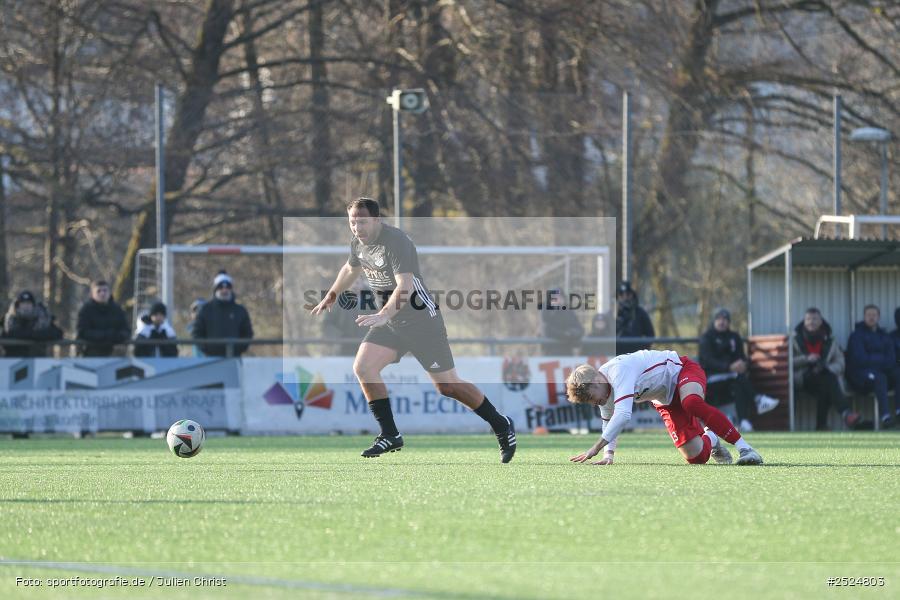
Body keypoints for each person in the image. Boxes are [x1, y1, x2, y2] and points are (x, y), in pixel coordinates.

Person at [309, 197, 516, 461]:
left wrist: (383, 314)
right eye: (352, 222)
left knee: (448, 387)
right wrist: (333, 294)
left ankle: (501, 424)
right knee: (364, 368)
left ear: (376, 220)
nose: (356, 227)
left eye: (362, 221)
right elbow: (350, 267)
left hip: (421, 321)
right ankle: (390, 434)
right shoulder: (358, 243)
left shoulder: (396, 241)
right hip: (391, 322)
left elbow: (405, 287)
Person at [565, 350, 764, 465]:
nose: (594, 403)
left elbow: (623, 415)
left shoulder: (618, 371)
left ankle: (745, 449)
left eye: (591, 398)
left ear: (596, 382)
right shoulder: (604, 391)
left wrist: (595, 448)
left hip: (682, 372)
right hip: (665, 400)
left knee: (691, 402)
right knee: (696, 458)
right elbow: (609, 421)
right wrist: (609, 454)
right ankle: (711, 438)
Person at [699, 307, 779, 432]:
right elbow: (707, 360)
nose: (722, 322)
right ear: (714, 321)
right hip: (711, 379)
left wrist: (744, 364)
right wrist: (728, 367)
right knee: (738, 377)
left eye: (725, 319)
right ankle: (758, 399)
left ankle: (743, 421)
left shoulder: (734, 337)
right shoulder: (707, 338)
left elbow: (741, 357)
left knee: (738, 384)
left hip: (731, 377)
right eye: (719, 319)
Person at [793, 307, 860, 430]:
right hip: (802, 378)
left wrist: (828, 367)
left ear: (821, 321)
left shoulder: (830, 340)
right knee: (829, 381)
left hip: (824, 376)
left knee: (826, 383)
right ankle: (846, 413)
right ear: (804, 321)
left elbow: (840, 362)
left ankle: (821, 426)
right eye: (808, 319)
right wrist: (806, 359)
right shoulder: (794, 340)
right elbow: (787, 363)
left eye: (815, 319)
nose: (811, 322)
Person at [846, 304, 899, 429]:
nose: (871, 317)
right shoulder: (856, 336)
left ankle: (898, 411)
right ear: (864, 317)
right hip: (860, 377)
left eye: (874, 315)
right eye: (868, 315)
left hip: (880, 373)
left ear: (878, 317)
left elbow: (891, 359)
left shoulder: (885, 336)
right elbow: (859, 359)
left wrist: (875, 359)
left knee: (898, 373)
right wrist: (881, 360)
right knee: (880, 377)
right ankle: (885, 418)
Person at [191, 271, 254, 358]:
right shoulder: (206, 310)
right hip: (211, 359)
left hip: (234, 358)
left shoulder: (240, 311)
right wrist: (207, 349)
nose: (224, 290)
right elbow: (197, 333)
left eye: (228, 287)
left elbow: (247, 333)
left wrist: (238, 349)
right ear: (216, 289)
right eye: (220, 287)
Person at [76, 280, 130, 357]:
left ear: (109, 292)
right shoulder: (86, 310)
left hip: (114, 354)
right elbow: (82, 332)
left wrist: (117, 337)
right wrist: (105, 335)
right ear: (92, 294)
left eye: (105, 290)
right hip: (91, 353)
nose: (102, 293)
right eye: (98, 291)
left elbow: (126, 330)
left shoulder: (117, 310)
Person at [1, 290, 63, 357]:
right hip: (13, 361)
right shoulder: (9, 320)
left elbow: (57, 333)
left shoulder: (43, 319)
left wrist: (32, 334)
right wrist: (33, 335)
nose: (26, 306)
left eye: (28, 303)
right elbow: (6, 335)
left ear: (33, 305)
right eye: (23, 303)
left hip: (38, 360)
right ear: (18, 305)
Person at [322, 279, 376, 356]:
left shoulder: (374, 299)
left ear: (362, 283)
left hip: (368, 346)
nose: (354, 285)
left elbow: (382, 319)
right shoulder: (337, 300)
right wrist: (339, 337)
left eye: (357, 282)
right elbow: (327, 322)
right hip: (344, 347)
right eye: (351, 282)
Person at [539, 288, 584, 356]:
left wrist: (572, 333)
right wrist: (564, 335)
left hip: (567, 351)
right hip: (550, 351)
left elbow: (580, 330)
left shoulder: (569, 312)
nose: (557, 300)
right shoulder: (547, 312)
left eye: (559, 297)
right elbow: (547, 330)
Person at [614, 281, 654, 354]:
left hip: (635, 355)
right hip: (616, 355)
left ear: (632, 295)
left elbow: (650, 334)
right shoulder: (612, 314)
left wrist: (641, 350)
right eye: (621, 294)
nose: (625, 297)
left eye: (628, 294)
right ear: (618, 296)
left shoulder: (640, 313)